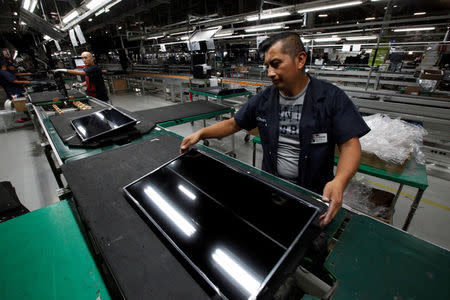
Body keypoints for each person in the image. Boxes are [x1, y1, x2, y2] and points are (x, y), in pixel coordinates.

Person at [180, 32, 370, 227]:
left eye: (276, 64)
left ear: (300, 60)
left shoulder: (331, 97)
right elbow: (233, 123)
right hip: (272, 189)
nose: (270, 72)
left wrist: (339, 181)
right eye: (267, 66)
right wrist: (201, 133)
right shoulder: (264, 98)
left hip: (314, 194)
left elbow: (350, 145)